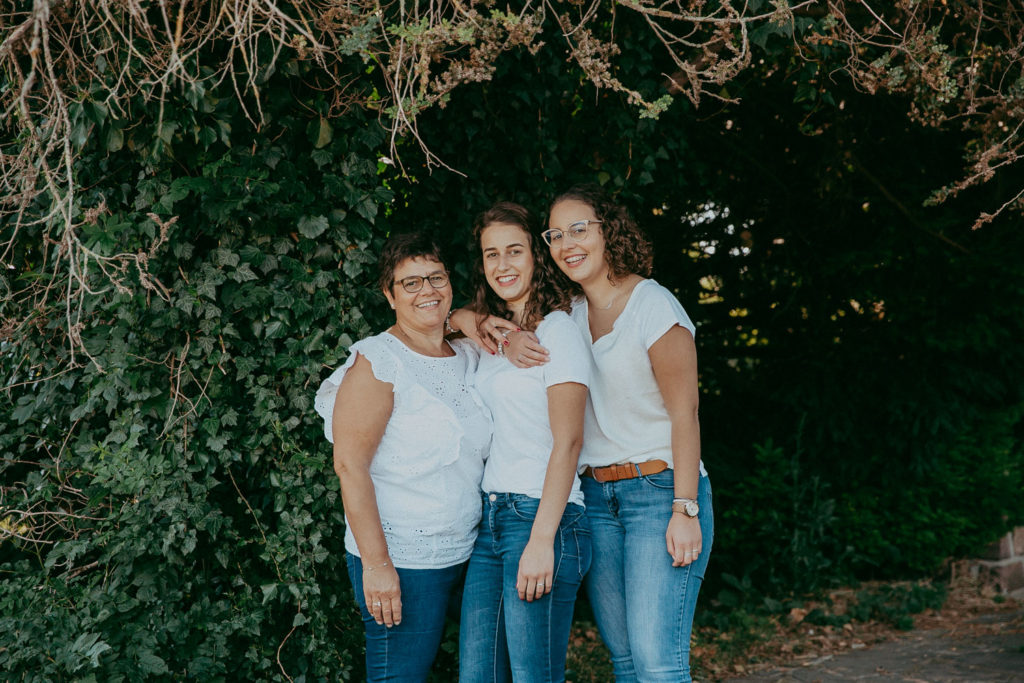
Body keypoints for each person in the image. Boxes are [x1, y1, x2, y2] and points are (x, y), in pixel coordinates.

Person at [510, 185, 713, 682]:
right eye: (555, 235)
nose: (566, 243)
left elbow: (686, 414)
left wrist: (684, 509)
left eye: (579, 228)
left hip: (660, 491)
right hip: (597, 500)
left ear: (609, 232)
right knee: (624, 664)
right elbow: (477, 319)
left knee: (658, 664)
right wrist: (477, 324)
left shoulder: (653, 306)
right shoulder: (567, 316)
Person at [313, 232, 491, 682]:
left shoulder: (468, 353)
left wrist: (468, 320)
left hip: (473, 549)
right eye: (410, 283)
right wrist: (377, 566)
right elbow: (349, 466)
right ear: (389, 295)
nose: (426, 290)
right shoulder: (379, 361)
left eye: (435, 277)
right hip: (405, 558)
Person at [455, 202, 593, 683]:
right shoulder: (496, 336)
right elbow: (449, 318)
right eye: (491, 254)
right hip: (491, 520)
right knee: (479, 676)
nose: (502, 265)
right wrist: (479, 322)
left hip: (542, 518)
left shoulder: (558, 331)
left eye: (514, 251)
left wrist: (541, 541)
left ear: (536, 255)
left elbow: (569, 442)